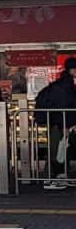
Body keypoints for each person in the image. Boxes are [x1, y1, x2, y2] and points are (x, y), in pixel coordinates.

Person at [35, 58, 76, 190]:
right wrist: (66, 125)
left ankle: (60, 176)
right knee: (57, 151)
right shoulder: (65, 86)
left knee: (60, 150)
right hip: (59, 124)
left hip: (56, 123)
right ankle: (51, 179)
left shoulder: (62, 84)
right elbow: (64, 107)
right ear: (72, 70)